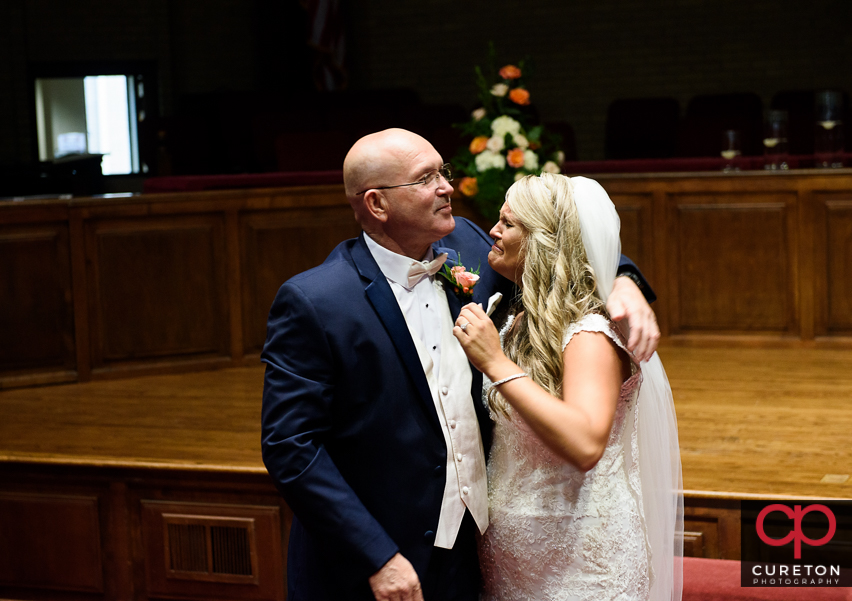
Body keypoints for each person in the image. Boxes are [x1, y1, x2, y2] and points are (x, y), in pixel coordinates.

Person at [260, 129, 660, 601]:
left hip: (475, 554)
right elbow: (290, 446)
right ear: (377, 203)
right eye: (425, 178)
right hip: (376, 563)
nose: (448, 186)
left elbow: (566, 240)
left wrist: (623, 278)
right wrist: (376, 555)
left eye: (442, 171)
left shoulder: (471, 246)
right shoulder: (317, 301)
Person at [452, 173, 683, 600]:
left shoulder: (589, 333)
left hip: (581, 561)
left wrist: (495, 363)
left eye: (508, 223)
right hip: (514, 558)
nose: (493, 232)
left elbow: (585, 444)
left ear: (543, 240)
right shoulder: (519, 320)